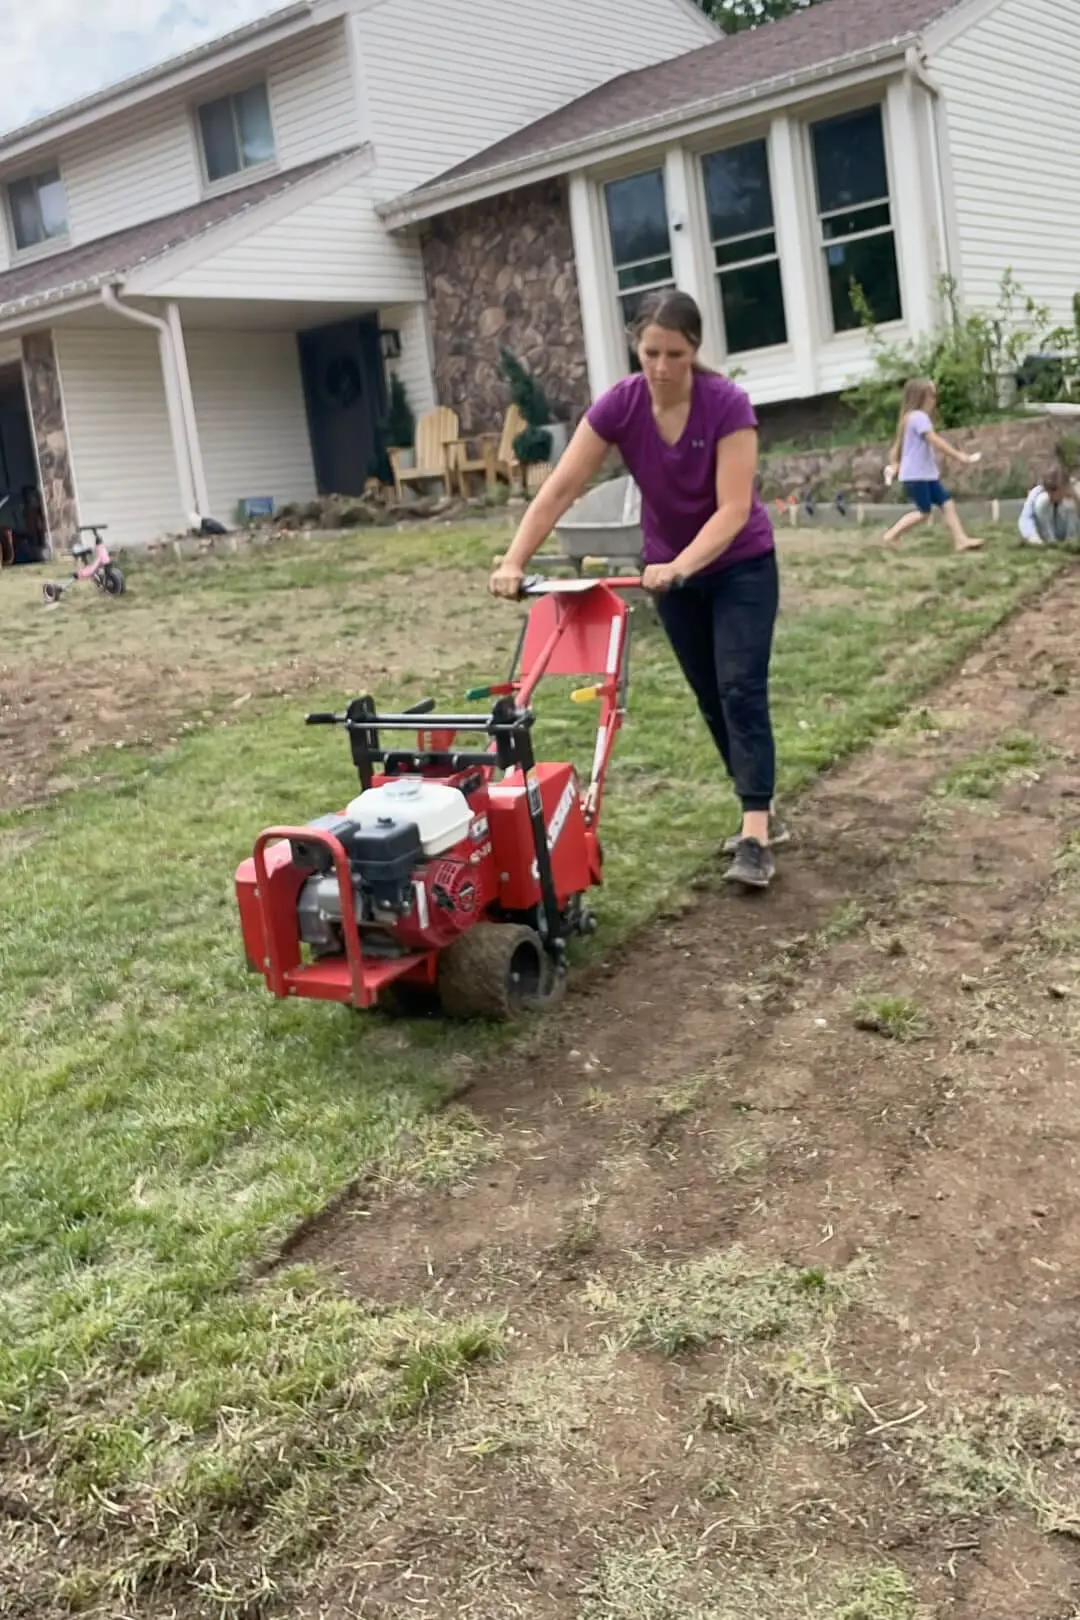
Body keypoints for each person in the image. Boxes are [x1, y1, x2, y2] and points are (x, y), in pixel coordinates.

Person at [489, 288, 783, 890]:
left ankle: (755, 830)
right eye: (651, 352)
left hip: (740, 566)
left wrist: (680, 564)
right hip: (669, 573)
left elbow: (732, 510)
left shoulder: (726, 405)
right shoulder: (619, 406)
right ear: (636, 347)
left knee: (740, 687)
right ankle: (762, 805)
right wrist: (515, 559)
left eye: (675, 353)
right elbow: (560, 487)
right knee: (710, 694)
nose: (662, 367)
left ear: (694, 349)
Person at [883, 378, 983, 552]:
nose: (934, 400)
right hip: (917, 475)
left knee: (947, 504)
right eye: (932, 395)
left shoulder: (910, 418)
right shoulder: (918, 417)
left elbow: (900, 447)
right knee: (924, 513)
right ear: (920, 397)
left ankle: (960, 540)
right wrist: (958, 455)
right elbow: (934, 440)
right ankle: (891, 536)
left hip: (925, 474)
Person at [1018, 466, 1080, 546]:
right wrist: (1032, 536)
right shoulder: (1038, 491)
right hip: (1046, 532)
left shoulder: (1075, 488)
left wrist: (1076, 499)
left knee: (1070, 504)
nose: (1051, 496)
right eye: (1048, 491)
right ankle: (1050, 542)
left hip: (1069, 530)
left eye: (1054, 491)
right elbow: (1025, 517)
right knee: (1042, 501)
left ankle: (1071, 542)